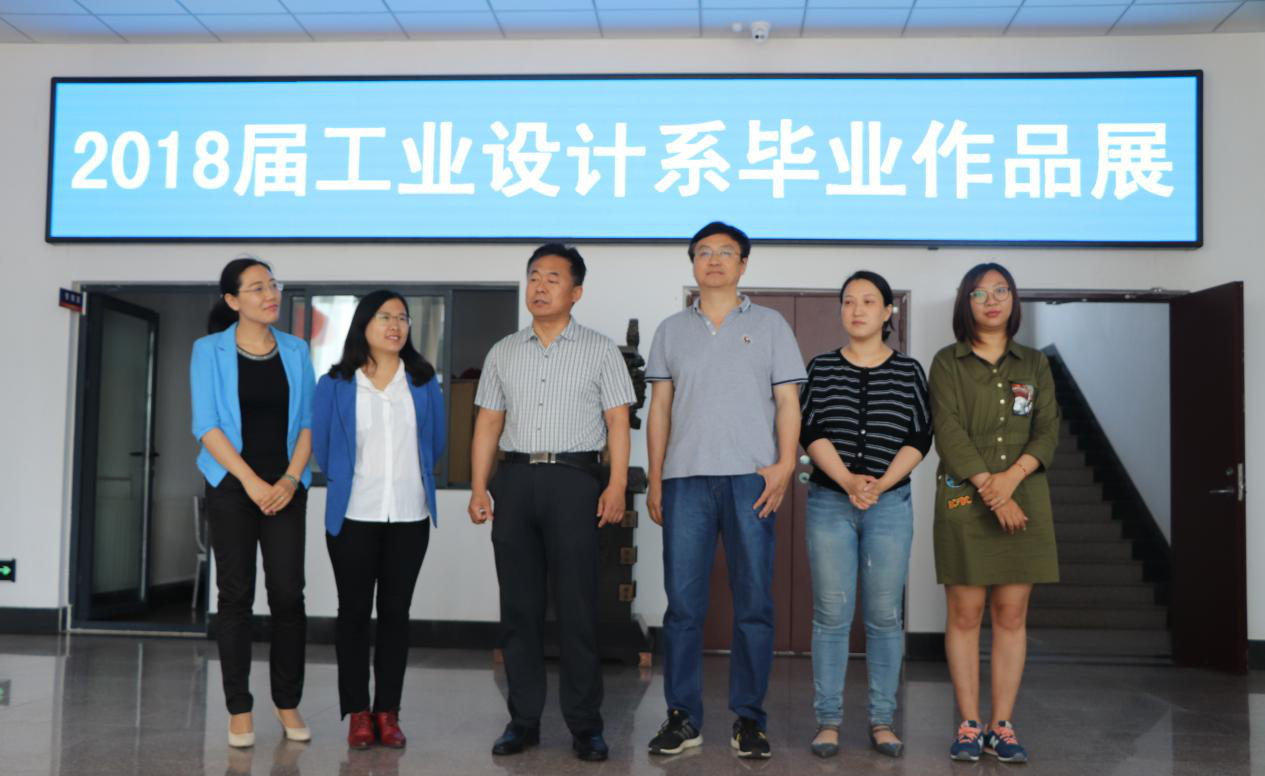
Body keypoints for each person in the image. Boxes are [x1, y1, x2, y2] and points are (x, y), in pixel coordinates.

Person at [467, 243, 635, 763]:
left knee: (578, 606)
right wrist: (479, 487)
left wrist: (616, 485)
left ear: (576, 292)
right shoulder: (504, 351)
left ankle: (585, 725)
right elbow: (488, 422)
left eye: (553, 278)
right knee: (519, 608)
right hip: (515, 480)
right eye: (534, 276)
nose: (539, 287)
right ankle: (523, 721)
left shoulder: (601, 350)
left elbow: (617, 421)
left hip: (575, 480)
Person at [645, 222, 806, 760]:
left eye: (726, 252)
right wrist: (656, 477)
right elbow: (660, 408)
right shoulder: (671, 329)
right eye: (704, 252)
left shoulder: (771, 325)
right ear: (693, 262)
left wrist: (785, 465)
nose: (714, 260)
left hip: (751, 480)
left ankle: (749, 719)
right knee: (683, 607)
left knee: (754, 604)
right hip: (685, 479)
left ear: (743, 264)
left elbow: (788, 402)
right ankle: (682, 717)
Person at [929, 262, 1059, 764]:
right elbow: (948, 431)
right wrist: (991, 487)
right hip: (966, 496)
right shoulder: (948, 363)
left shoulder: (1035, 364)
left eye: (1001, 290)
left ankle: (1001, 725)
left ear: (1013, 300)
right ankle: (968, 723)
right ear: (966, 302)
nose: (991, 300)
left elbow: (1047, 430)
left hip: (1025, 495)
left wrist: (1010, 482)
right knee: (965, 613)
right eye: (980, 293)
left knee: (1012, 613)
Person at [799, 270, 932, 759]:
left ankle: (882, 720)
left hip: (889, 506)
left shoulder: (909, 371)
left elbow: (920, 436)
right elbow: (809, 429)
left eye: (869, 301)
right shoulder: (821, 367)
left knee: (884, 615)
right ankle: (828, 721)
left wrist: (879, 485)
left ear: (887, 311)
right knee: (831, 614)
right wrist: (849, 481)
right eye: (849, 301)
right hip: (830, 502)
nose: (857, 309)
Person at [312, 290, 446, 750]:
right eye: (385, 316)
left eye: (402, 318)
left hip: (409, 514)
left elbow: (435, 443)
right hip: (354, 515)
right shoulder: (335, 383)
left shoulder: (424, 383)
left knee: (395, 615)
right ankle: (358, 714)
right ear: (364, 324)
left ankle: (388, 712)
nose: (395, 325)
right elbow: (324, 447)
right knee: (352, 614)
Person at [190, 256, 315, 748]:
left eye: (273, 285)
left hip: (286, 487)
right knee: (235, 596)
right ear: (232, 300)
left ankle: (287, 700)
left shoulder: (297, 350)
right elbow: (206, 425)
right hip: (231, 487)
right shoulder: (209, 350)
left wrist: (288, 479)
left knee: (287, 594)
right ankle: (239, 708)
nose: (271, 295)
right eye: (258, 287)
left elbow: (308, 423)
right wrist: (252, 483)